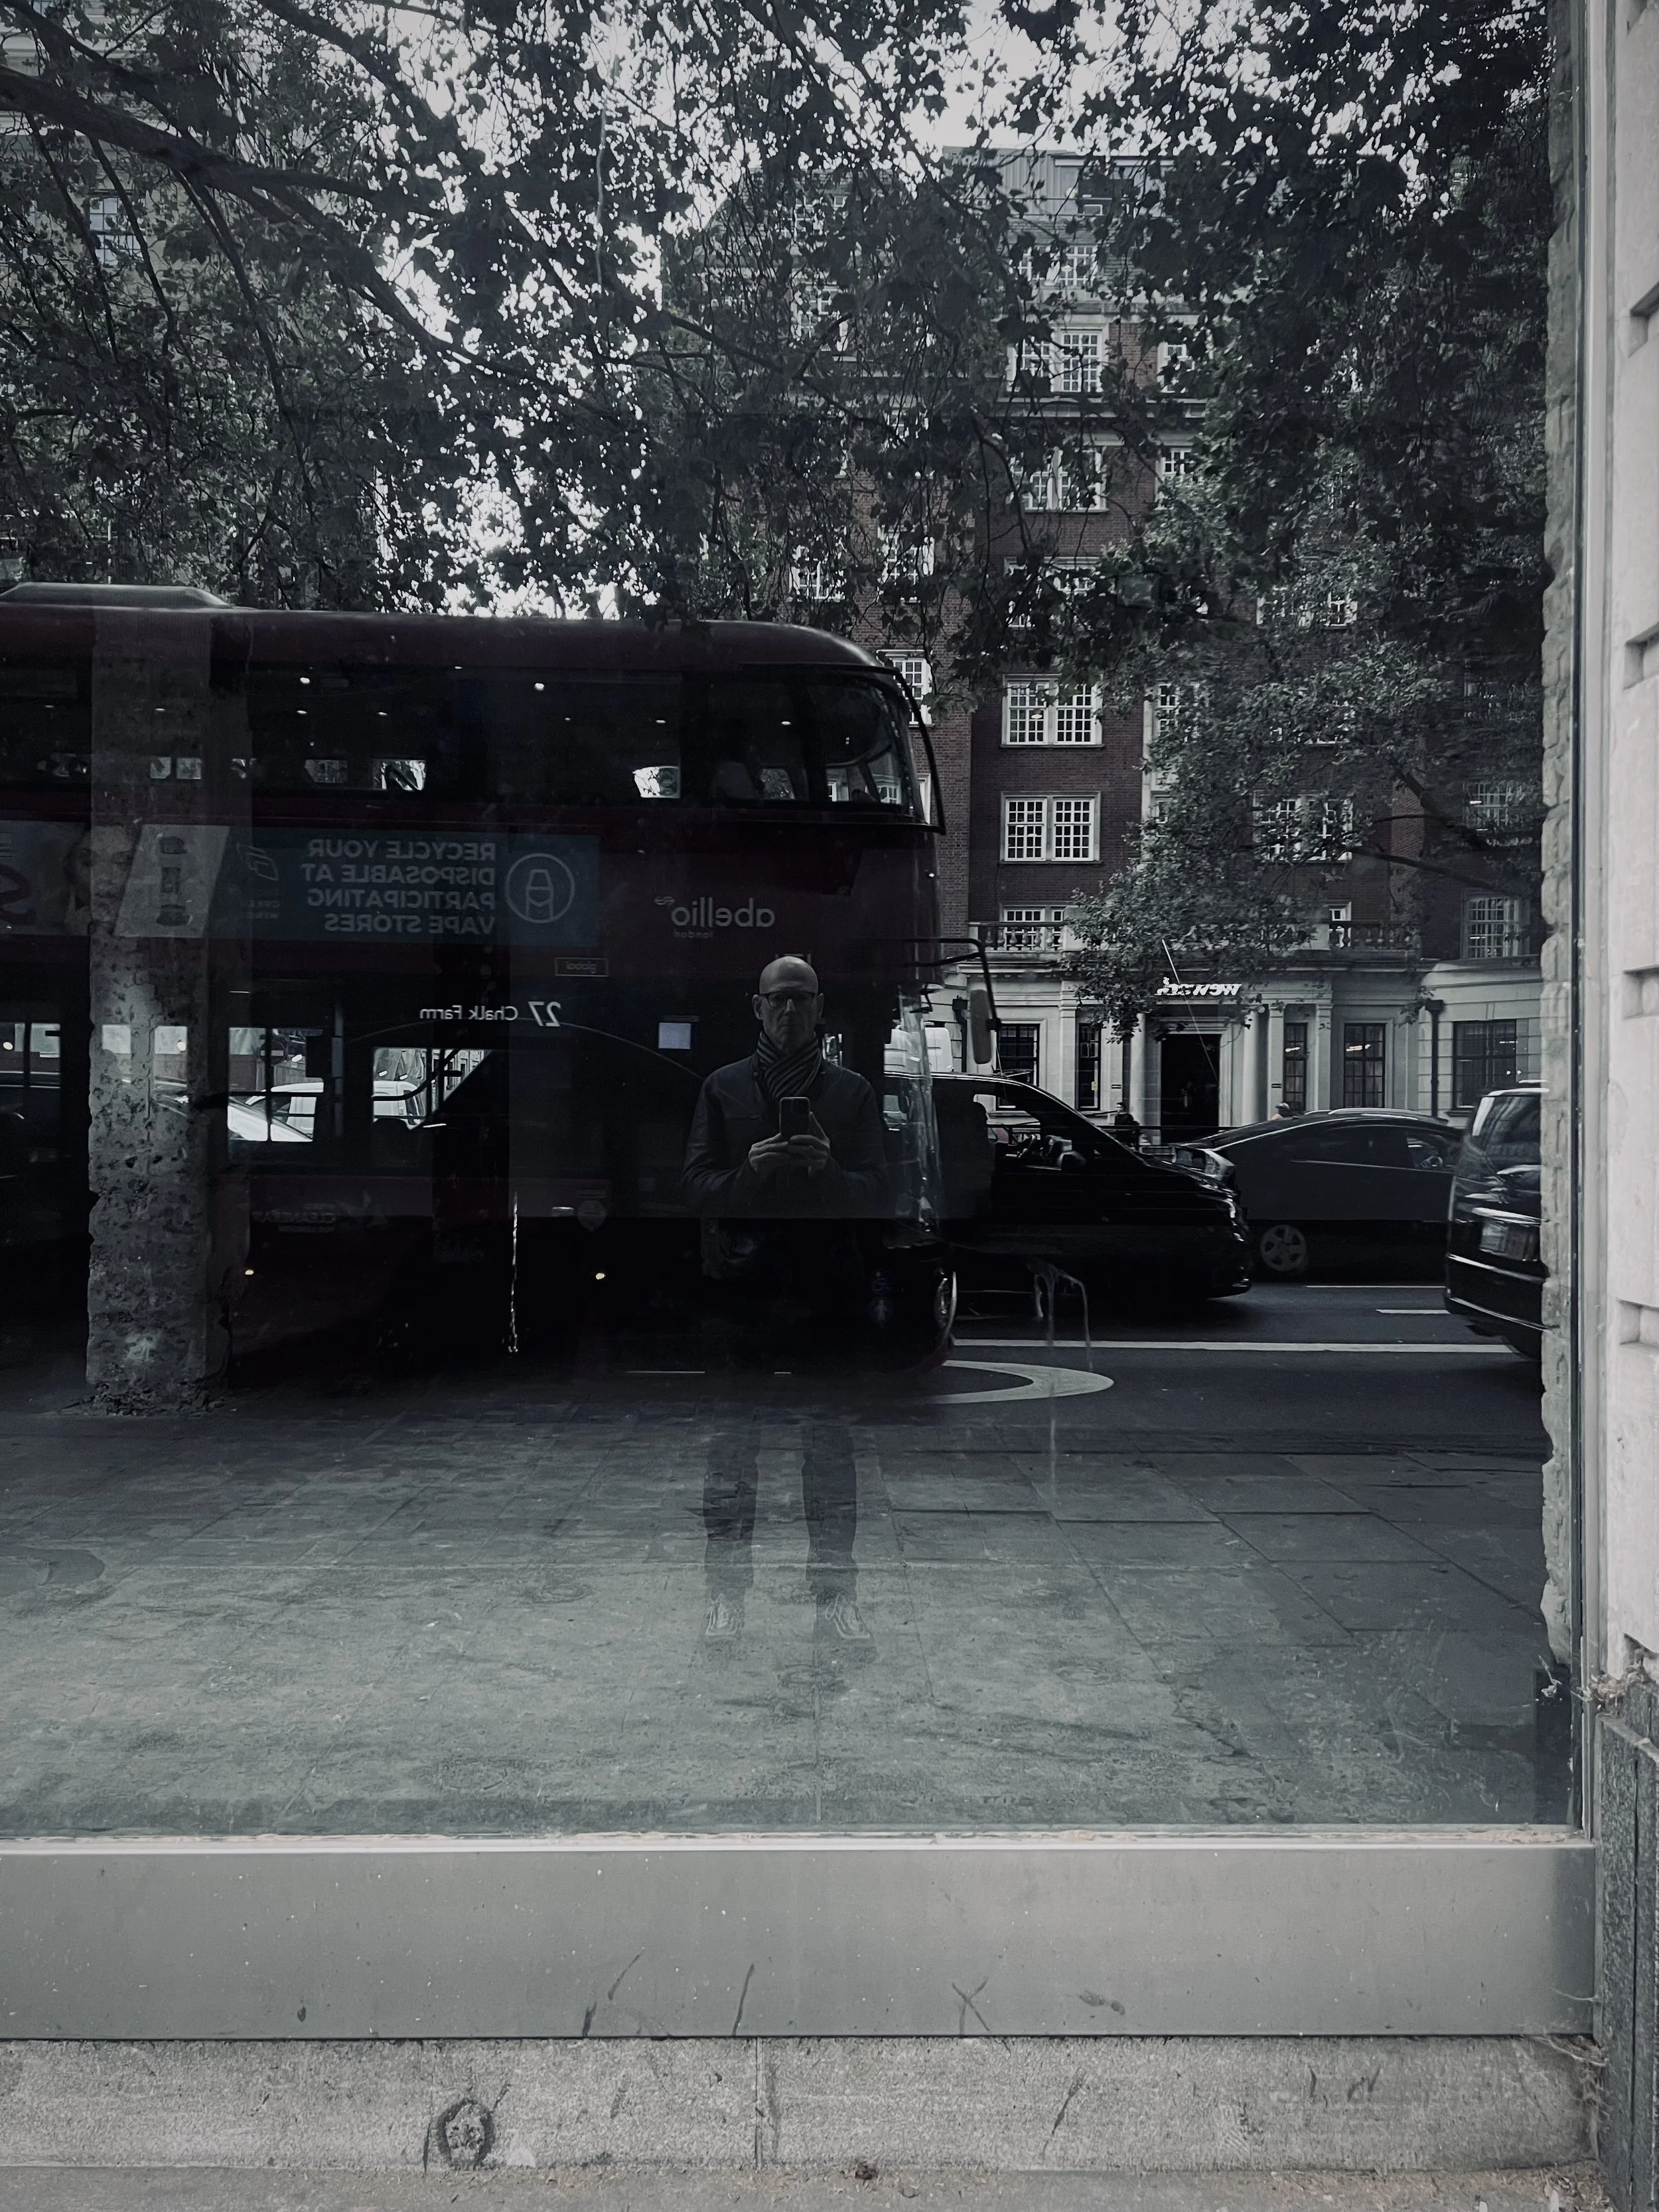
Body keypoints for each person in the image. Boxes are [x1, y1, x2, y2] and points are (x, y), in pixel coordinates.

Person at [680, 954, 891, 1341]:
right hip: (741, 1283)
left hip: (825, 1284)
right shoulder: (720, 1087)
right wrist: (751, 1172)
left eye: (801, 998)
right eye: (778, 999)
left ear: (819, 1006)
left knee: (821, 1394)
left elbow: (879, 1190)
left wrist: (827, 1169)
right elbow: (694, 1188)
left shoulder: (855, 1091)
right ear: (759, 1008)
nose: (790, 1010)